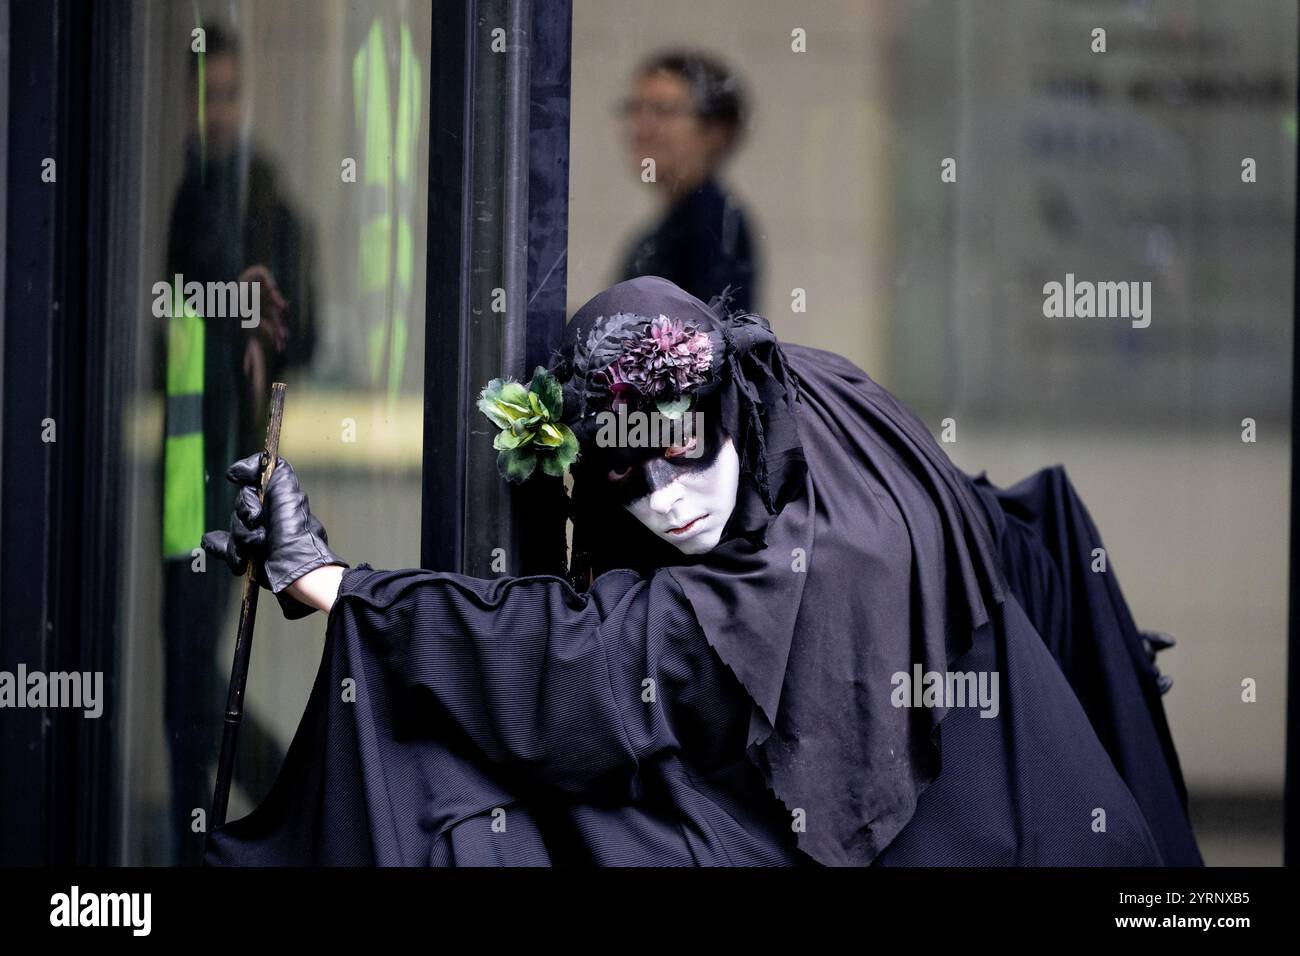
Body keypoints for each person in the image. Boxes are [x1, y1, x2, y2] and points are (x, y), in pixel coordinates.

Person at [200, 276, 1202, 866]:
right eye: (629, 480)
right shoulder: (799, 384)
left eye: (687, 457)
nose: (670, 501)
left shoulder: (824, 550)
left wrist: (335, 584)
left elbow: (596, 654)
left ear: (722, 407)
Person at [159, 22, 319, 865]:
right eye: (204, 97)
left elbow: (297, 326)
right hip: (189, 459)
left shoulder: (251, 198)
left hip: (219, 462)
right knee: (187, 679)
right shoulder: (193, 189)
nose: (216, 114)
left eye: (227, 96)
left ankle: (251, 823)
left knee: (194, 680)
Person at [617, 51, 760, 314]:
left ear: (716, 131)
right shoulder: (676, 226)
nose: (642, 129)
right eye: (636, 110)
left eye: (662, 111)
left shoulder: (713, 225)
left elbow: (710, 344)